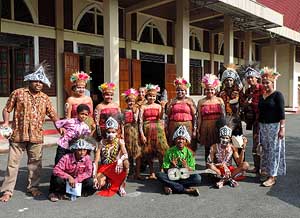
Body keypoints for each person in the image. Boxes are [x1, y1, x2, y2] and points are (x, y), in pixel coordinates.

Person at [0, 63, 61, 202]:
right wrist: (5, 122)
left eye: (41, 82)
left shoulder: (45, 98)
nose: (38, 84)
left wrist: (61, 128)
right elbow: (7, 109)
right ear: (29, 80)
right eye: (36, 81)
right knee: (12, 164)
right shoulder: (18, 93)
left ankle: (33, 187)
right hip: (18, 135)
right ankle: (7, 191)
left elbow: (53, 115)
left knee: (35, 164)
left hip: (36, 136)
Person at [258, 67, 286, 187]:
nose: (265, 85)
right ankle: (265, 171)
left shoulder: (277, 95)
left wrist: (282, 128)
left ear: (272, 82)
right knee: (264, 150)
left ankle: (272, 176)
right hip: (263, 126)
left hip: (274, 126)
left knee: (274, 151)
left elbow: (281, 112)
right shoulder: (262, 96)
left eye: (267, 82)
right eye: (263, 83)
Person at [156, 125, 201, 196]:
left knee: (197, 178)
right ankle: (186, 190)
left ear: (186, 141)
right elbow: (165, 169)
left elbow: (193, 170)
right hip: (172, 176)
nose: (180, 141)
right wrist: (172, 166)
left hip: (184, 178)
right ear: (175, 140)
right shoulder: (169, 152)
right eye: (178, 139)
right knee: (159, 175)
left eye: (183, 139)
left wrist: (186, 167)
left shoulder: (190, 153)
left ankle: (170, 186)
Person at [48, 138, 96, 202]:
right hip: (66, 180)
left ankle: (77, 193)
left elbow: (88, 173)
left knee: (91, 182)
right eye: (79, 150)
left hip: (78, 181)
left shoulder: (87, 158)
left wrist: (76, 180)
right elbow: (56, 170)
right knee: (56, 179)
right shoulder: (66, 157)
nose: (82, 152)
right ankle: (55, 193)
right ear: (75, 150)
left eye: (84, 150)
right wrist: (69, 177)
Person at [139, 84, 169, 179]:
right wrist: (142, 135)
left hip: (158, 130)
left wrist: (163, 107)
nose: (151, 98)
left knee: (160, 151)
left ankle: (161, 170)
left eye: (153, 96)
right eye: (150, 96)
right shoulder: (143, 107)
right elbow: (140, 121)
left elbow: (160, 118)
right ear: (146, 96)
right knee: (149, 152)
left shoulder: (158, 106)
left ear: (156, 97)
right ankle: (151, 172)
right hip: (147, 130)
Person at [94, 117, 129, 197]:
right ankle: (108, 181)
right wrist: (94, 176)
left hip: (115, 167)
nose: (110, 134)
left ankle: (121, 186)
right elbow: (96, 160)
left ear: (117, 132)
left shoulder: (120, 141)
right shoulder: (101, 142)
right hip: (104, 168)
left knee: (126, 162)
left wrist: (120, 160)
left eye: (113, 132)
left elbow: (125, 154)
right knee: (99, 185)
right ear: (105, 132)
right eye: (108, 132)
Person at [240, 66, 264, 174]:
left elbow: (266, 104)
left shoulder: (262, 88)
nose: (250, 80)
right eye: (248, 78)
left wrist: (252, 104)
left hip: (263, 121)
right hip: (254, 121)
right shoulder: (248, 90)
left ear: (257, 78)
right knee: (255, 144)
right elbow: (243, 103)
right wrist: (245, 104)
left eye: (252, 77)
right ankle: (257, 167)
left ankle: (264, 168)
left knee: (263, 145)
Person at [197, 74, 225, 161]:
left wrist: (224, 128)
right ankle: (208, 165)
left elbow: (223, 115)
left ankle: (218, 165)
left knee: (218, 146)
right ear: (205, 90)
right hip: (206, 127)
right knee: (208, 148)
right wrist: (198, 129)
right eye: (208, 90)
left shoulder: (220, 100)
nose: (210, 91)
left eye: (212, 89)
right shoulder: (201, 102)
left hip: (217, 127)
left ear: (215, 90)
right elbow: (199, 118)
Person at [166, 77, 197, 151]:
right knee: (174, 144)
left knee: (187, 144)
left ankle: (187, 161)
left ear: (185, 91)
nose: (180, 92)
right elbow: (167, 114)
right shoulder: (172, 101)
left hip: (187, 125)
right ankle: (174, 161)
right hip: (173, 125)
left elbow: (195, 115)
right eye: (178, 90)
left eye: (182, 90)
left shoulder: (190, 100)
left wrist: (195, 129)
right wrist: (170, 105)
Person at [121, 88, 142, 179]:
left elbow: (137, 121)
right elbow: (122, 123)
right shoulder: (123, 111)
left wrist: (134, 113)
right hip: (126, 132)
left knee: (137, 153)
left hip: (135, 131)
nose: (131, 103)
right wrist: (122, 133)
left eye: (133, 101)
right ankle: (129, 171)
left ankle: (137, 172)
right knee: (128, 152)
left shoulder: (137, 110)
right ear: (126, 101)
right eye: (129, 101)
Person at [218, 64, 244, 136]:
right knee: (225, 140)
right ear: (223, 82)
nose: (228, 82)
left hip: (235, 119)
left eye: (230, 80)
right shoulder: (220, 94)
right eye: (226, 80)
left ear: (233, 81)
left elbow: (243, 104)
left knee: (237, 142)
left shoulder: (238, 93)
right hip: (224, 119)